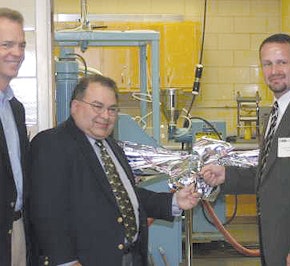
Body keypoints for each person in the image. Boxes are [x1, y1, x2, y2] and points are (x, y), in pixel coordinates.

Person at [200, 33, 290, 266]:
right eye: (267, 64)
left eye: (282, 62)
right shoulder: (276, 114)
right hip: (276, 244)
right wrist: (227, 175)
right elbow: (274, 175)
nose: (274, 70)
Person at [29, 74, 200, 266]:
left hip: (129, 257)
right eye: (97, 106)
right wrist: (66, 261)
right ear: (75, 107)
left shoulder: (110, 146)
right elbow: (46, 211)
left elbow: (124, 197)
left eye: (112, 109)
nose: (105, 116)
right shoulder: (52, 144)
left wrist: (174, 201)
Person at [0, 7, 30, 266]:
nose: (17, 53)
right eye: (7, 44)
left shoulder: (14, 108)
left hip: (16, 229)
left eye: (21, 45)